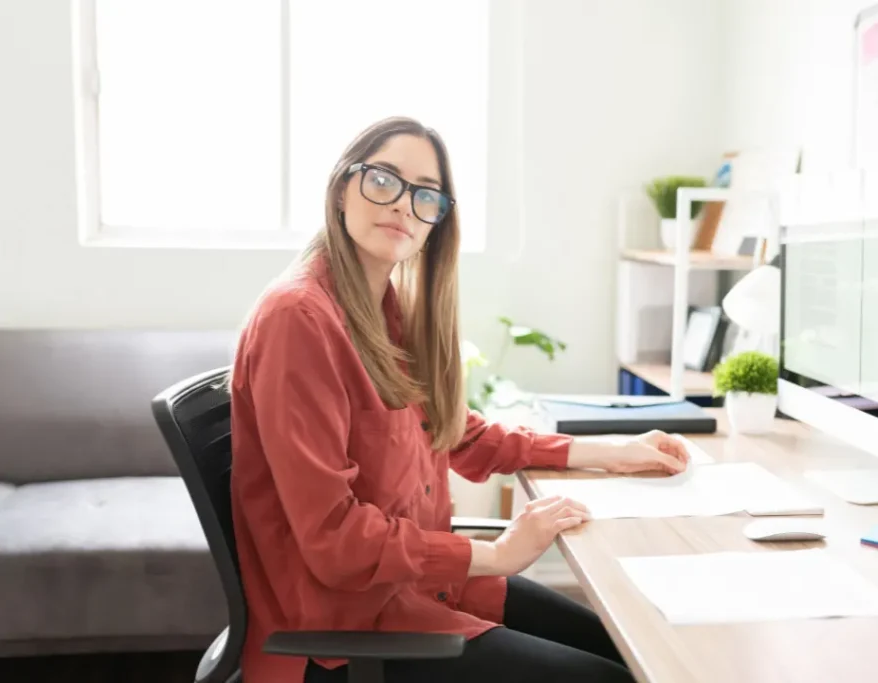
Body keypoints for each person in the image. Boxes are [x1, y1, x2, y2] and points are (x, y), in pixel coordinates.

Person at [228, 116, 691, 683]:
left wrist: (607, 450)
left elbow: (454, 433)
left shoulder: (381, 306)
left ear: (437, 222)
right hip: (343, 629)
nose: (403, 205)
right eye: (383, 180)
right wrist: (495, 555)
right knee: (613, 677)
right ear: (342, 187)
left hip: (412, 589)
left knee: (628, 648)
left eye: (426, 195)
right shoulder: (298, 318)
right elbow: (332, 538)